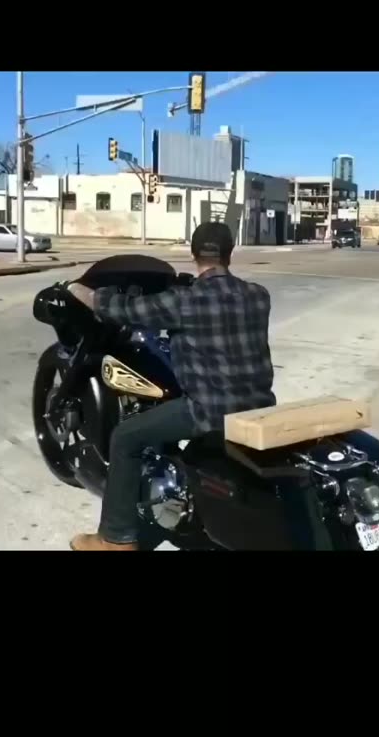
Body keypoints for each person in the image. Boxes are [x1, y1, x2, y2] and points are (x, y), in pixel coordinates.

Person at [68, 222, 276, 551]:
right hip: (259, 406)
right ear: (230, 252)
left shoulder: (183, 301)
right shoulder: (258, 295)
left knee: (125, 437)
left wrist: (78, 290)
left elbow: (121, 310)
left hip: (207, 412)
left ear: (193, 254)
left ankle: (115, 540)